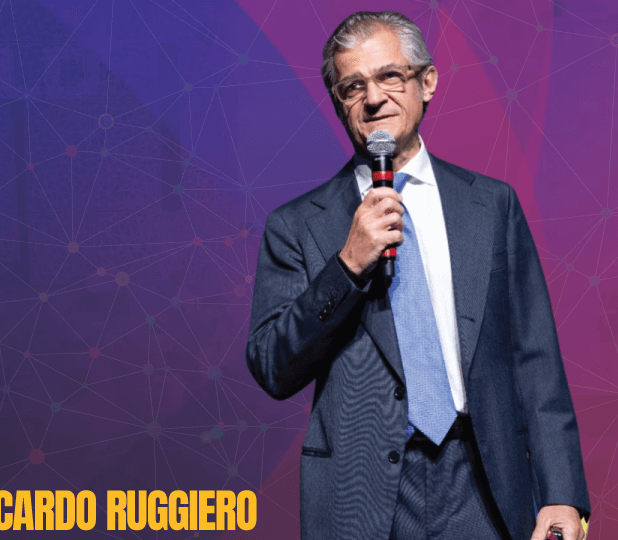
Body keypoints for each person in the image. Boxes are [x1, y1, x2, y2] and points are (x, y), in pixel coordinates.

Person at [246, 11, 590, 540]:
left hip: (481, 480)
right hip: (361, 495)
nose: (373, 98)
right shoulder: (296, 226)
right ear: (339, 103)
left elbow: (535, 357)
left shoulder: (491, 206)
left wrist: (562, 492)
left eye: (390, 76)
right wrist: (347, 266)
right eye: (352, 86)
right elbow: (274, 367)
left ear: (426, 82)